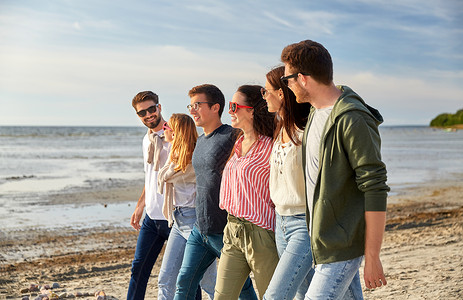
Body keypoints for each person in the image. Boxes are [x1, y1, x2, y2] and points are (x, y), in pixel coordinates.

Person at [280, 40, 390, 299]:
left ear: (303, 78)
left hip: (341, 244)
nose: (287, 86)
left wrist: (373, 256)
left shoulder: (353, 119)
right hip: (320, 240)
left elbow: (375, 186)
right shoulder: (316, 115)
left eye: (288, 80)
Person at [174, 84, 257, 300]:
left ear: (215, 107)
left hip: (224, 230)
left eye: (197, 105)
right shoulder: (201, 141)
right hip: (199, 228)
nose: (192, 110)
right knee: (184, 281)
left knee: (242, 286)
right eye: (190, 106)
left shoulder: (233, 136)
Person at [214, 85, 279, 300]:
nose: (229, 111)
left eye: (234, 106)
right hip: (232, 230)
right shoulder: (238, 143)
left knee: (271, 297)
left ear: (251, 110)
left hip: (261, 234)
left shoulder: (271, 147)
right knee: (222, 296)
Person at [261, 66, 314, 300]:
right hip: (280, 223)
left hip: (304, 224)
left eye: (266, 91)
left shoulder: (307, 131)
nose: (264, 96)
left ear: (281, 94)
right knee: (304, 292)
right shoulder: (281, 127)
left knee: (276, 295)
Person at [157, 114, 216, 300]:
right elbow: (164, 176)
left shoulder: (191, 159)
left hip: (195, 221)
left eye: (167, 126)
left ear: (175, 133)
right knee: (165, 279)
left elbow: (164, 177)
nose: (164, 129)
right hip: (178, 219)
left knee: (209, 283)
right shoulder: (175, 157)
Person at [127, 91, 171, 300]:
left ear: (159, 107)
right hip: (152, 219)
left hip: (175, 218)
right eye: (142, 112)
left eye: (151, 109)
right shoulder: (146, 140)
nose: (148, 115)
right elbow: (149, 177)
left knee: (184, 276)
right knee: (138, 269)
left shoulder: (176, 135)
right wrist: (139, 205)